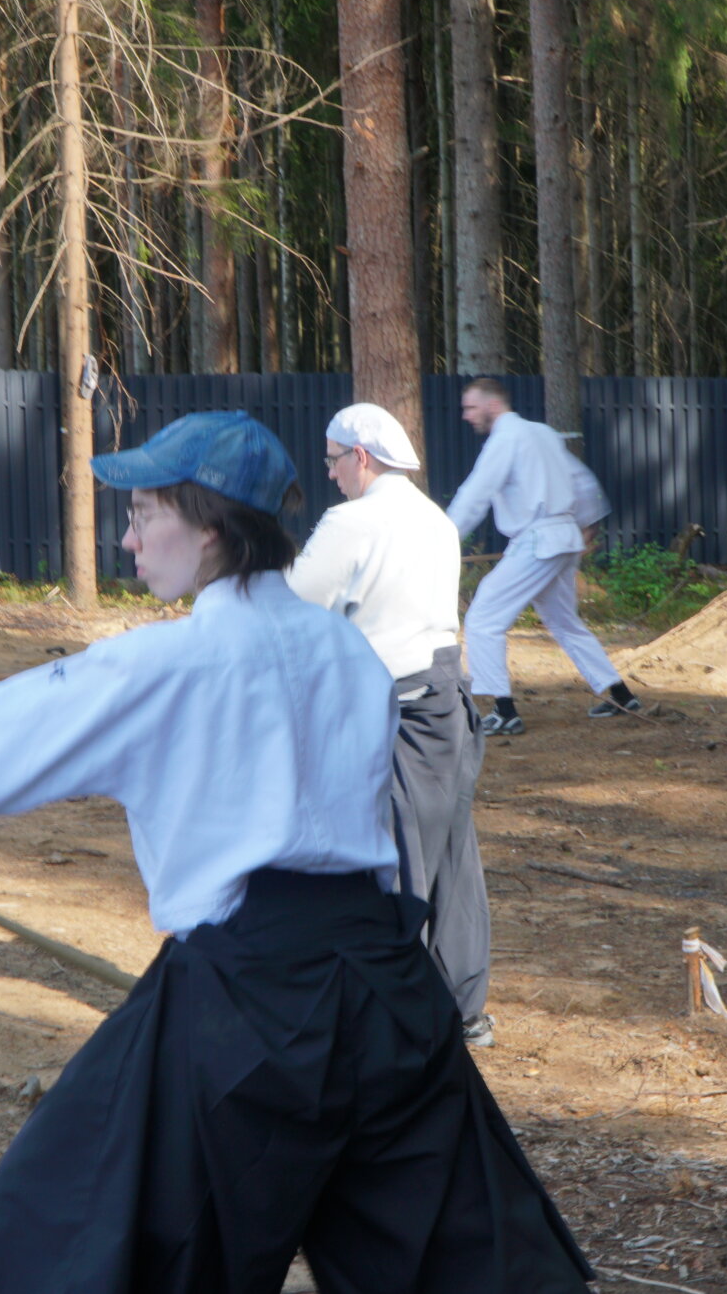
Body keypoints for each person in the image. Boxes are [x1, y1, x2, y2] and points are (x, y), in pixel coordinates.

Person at [0, 411, 593, 1294]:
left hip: (248, 1013)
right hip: (392, 994)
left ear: (209, 526)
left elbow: (4, 733)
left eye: (144, 513)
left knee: (65, 1236)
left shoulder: (169, 663)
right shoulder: (349, 654)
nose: (129, 535)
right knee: (466, 1270)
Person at [288, 402, 494, 1048]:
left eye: (333, 459)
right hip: (448, 701)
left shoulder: (352, 521)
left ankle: (400, 1014)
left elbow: (296, 601)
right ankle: (462, 1007)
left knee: (399, 860)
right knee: (452, 855)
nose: (330, 474)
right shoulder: (433, 518)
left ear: (363, 457)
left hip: (400, 709)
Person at [448, 377, 641, 733]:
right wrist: (588, 525)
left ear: (492, 406)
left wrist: (442, 538)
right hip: (563, 537)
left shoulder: (506, 438)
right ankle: (620, 693)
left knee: (483, 618)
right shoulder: (542, 434)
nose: (466, 416)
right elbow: (582, 480)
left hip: (538, 540)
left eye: (471, 408)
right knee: (565, 622)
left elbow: (476, 492)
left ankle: (504, 711)